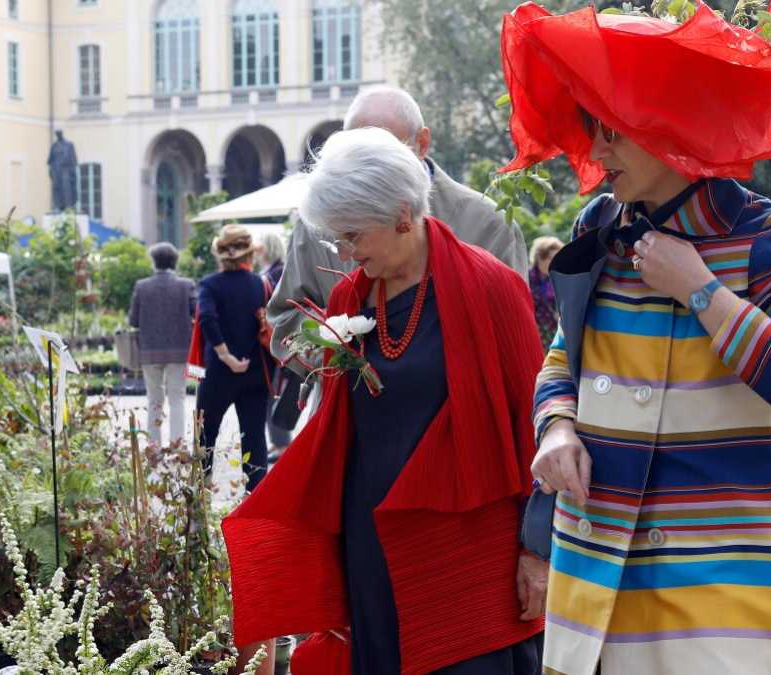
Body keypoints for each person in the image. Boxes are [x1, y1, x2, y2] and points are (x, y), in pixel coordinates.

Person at [501, 4, 771, 673]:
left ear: (666, 126)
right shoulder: (597, 228)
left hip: (713, 594)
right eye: (591, 129)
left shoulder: (768, 238)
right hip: (593, 575)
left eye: (611, 132)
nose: (596, 152)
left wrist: (701, 292)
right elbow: (561, 358)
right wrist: (554, 429)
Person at [222, 128, 547, 674]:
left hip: (467, 548)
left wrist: (537, 551)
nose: (347, 252)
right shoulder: (351, 296)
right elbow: (337, 435)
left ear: (401, 214)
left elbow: (533, 427)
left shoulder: (492, 287)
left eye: (353, 235)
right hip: (373, 546)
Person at [267, 86, 529, 381]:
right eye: (355, 151)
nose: (365, 167)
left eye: (385, 152)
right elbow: (285, 317)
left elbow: (511, 343)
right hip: (347, 413)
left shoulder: (486, 223)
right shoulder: (316, 220)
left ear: (422, 143)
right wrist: (334, 347)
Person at [190, 224, 271, 492]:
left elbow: (207, 319)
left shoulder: (211, 284)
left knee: (206, 435)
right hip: (256, 371)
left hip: (218, 373)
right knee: (255, 439)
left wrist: (226, 356)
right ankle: (255, 500)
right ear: (250, 253)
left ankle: (200, 500)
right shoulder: (261, 283)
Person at [129, 242, 196, 447]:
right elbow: (197, 314)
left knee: (154, 400)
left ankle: (154, 448)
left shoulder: (142, 286)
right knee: (177, 399)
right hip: (179, 352)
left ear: (154, 262)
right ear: (175, 261)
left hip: (150, 352)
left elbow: (133, 321)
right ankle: (177, 446)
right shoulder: (186, 285)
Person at [255, 232, 295, 461]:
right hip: (276, 340)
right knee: (275, 393)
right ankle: (278, 442)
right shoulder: (278, 270)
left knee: (276, 393)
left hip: (277, 342)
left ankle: (282, 445)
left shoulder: (275, 272)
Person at [528, 236, 562, 351]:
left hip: (553, 334)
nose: (555, 262)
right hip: (532, 333)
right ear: (539, 257)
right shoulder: (526, 278)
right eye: (551, 258)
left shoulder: (558, 279)